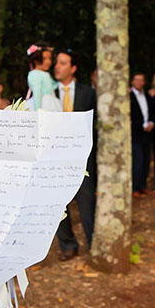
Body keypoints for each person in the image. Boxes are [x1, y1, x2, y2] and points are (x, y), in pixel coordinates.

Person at [54, 49, 97, 261]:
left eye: (62, 63)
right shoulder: (47, 93)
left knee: (87, 201)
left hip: (83, 158)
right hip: (55, 158)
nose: (57, 67)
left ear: (73, 68)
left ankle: (93, 242)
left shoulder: (88, 93)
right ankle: (68, 245)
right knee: (59, 203)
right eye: (56, 63)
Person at [130, 72, 154, 196]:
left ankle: (142, 186)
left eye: (141, 80)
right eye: (136, 80)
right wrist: (142, 125)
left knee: (146, 160)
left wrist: (151, 122)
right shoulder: (128, 96)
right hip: (135, 134)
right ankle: (134, 188)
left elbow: (152, 111)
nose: (139, 82)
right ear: (132, 81)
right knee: (137, 161)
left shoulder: (147, 95)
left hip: (147, 133)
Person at [25, 42, 61, 112]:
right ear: (36, 60)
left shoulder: (44, 74)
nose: (48, 62)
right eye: (44, 59)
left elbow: (52, 87)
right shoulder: (35, 74)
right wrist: (38, 110)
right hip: (43, 103)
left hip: (51, 101)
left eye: (49, 58)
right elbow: (37, 92)